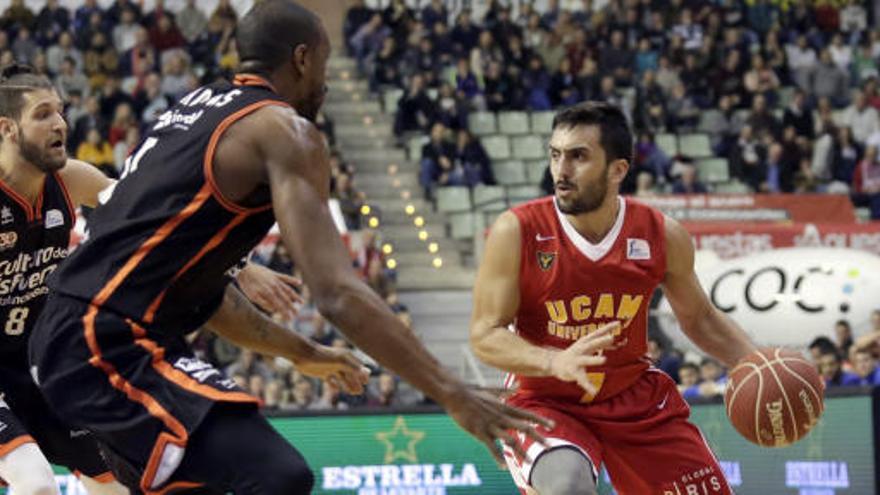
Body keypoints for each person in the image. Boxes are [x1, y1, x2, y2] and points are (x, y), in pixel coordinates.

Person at [30, 2, 547, 493]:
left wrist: (304, 352)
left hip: (89, 334)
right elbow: (336, 291)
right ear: (303, 58)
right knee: (279, 476)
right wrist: (451, 392)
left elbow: (208, 295)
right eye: (323, 63)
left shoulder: (195, 111)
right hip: (104, 340)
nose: (324, 82)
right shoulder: (285, 132)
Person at [0, 63, 314, 495]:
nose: (60, 123)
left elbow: (150, 218)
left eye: (59, 111)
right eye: (42, 114)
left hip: (33, 361)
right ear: (7, 129)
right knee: (35, 484)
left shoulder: (70, 179)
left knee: (116, 486)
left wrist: (244, 265)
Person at [470, 102, 757, 494]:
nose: (561, 170)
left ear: (618, 169)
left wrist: (759, 364)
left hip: (634, 396)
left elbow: (700, 318)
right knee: (568, 487)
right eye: (555, 155)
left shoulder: (661, 234)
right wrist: (554, 361)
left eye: (578, 157)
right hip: (545, 399)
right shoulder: (517, 230)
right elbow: (485, 333)